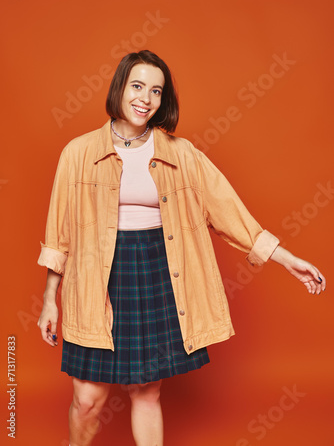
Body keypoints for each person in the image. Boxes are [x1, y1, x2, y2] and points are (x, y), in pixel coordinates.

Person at [37, 49, 326, 446]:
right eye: (137, 86)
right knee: (87, 398)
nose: (146, 98)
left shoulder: (181, 154)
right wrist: (50, 299)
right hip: (95, 280)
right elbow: (60, 233)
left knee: (147, 392)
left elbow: (230, 211)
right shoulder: (78, 153)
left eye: (156, 91)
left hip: (158, 272)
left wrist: (287, 258)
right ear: (120, 87)